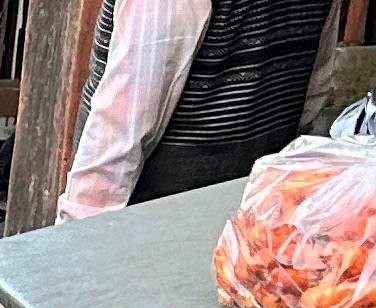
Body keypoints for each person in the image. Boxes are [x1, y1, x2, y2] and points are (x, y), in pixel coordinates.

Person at [59, 0, 337, 217]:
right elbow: (312, 96)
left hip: (155, 224)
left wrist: (77, 246)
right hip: (249, 215)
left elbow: (118, 134)